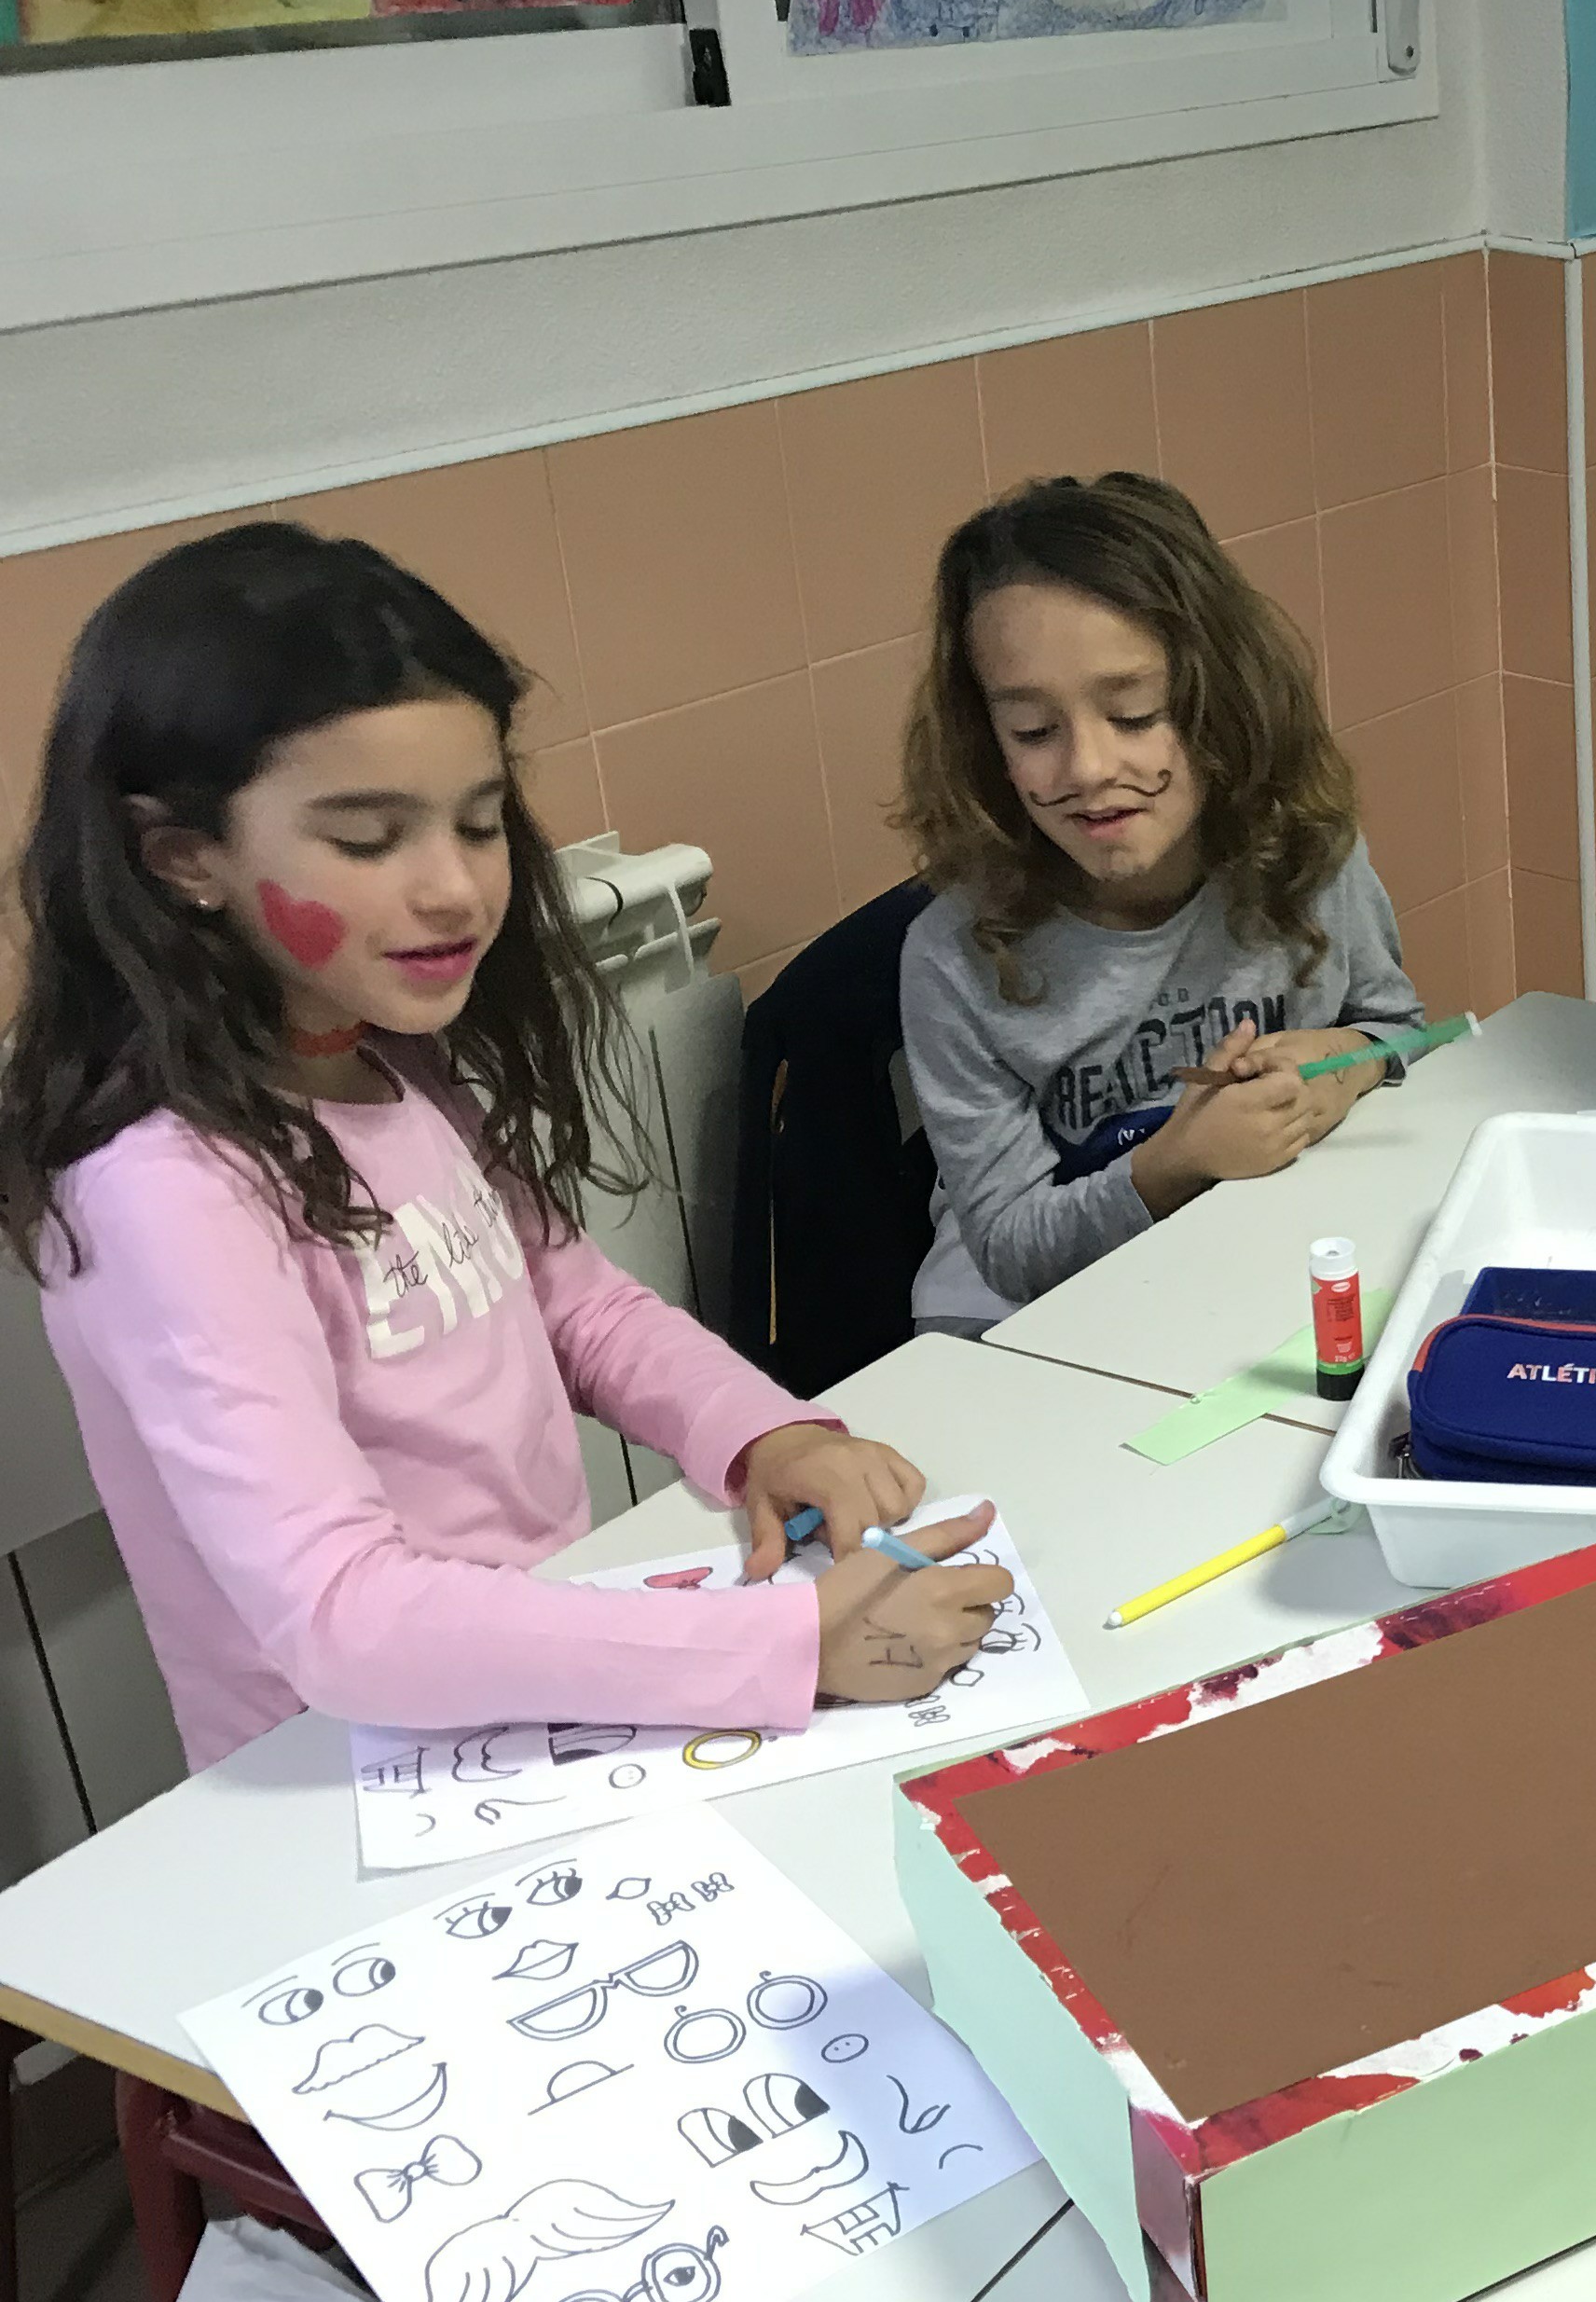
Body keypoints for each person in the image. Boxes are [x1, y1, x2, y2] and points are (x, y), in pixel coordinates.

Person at [0, 525, 1011, 1774]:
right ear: (182, 858)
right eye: (368, 841)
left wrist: (769, 1437)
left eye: (479, 824)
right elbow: (345, 1619)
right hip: (350, 1782)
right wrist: (785, 1645)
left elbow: (578, 1307)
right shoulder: (166, 1190)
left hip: (540, 1700)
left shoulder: (383, 1058)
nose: (456, 890)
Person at [896, 473, 1423, 1337]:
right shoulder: (954, 956)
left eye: (1135, 714)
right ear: (987, 742)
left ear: (1223, 702)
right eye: (1033, 732)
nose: (1089, 769)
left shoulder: (1304, 855)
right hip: (1029, 1320)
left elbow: (1399, 1029)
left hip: (1240, 1270)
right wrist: (1173, 1165)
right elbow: (1010, 1251)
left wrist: (1345, 1063)